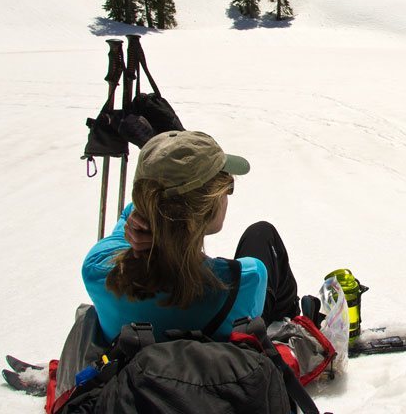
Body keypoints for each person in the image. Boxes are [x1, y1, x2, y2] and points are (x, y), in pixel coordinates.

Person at [82, 130, 300, 342]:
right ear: (208, 205)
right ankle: (291, 326)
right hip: (215, 365)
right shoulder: (245, 279)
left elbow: (130, 212)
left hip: (130, 367)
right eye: (227, 187)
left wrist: (152, 219)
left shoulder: (97, 267)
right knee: (262, 234)